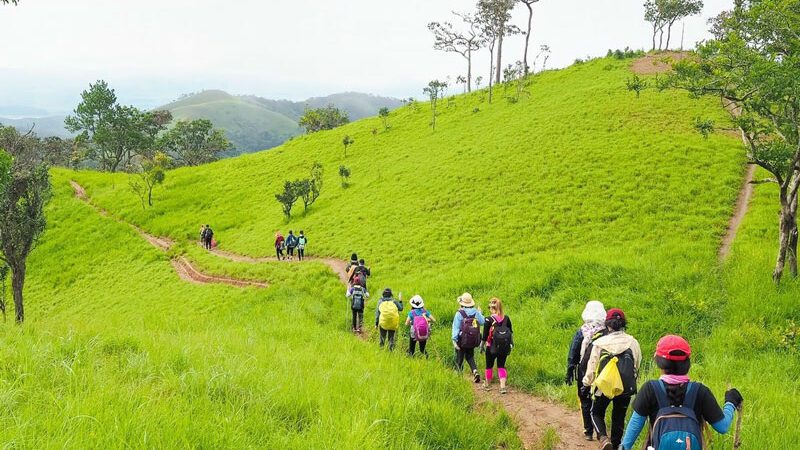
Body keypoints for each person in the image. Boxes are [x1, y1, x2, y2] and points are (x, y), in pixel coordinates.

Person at [620, 335, 743, 450]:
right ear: (687, 363)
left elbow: (634, 428)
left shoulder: (650, 389)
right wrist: (730, 402)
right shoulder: (700, 391)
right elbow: (722, 426)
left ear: (659, 362)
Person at [582, 308, 641, 450]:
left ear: (607, 325)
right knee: (619, 417)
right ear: (623, 324)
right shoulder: (633, 342)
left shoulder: (600, 343)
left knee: (595, 413)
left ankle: (603, 438)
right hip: (625, 387)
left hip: (604, 386)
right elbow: (636, 365)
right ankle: (615, 446)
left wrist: (586, 383)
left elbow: (592, 367)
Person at [566, 300, 608, 441]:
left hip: (584, 370)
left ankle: (588, 431)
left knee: (585, 399)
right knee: (599, 400)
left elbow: (574, 352)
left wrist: (570, 370)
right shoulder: (607, 331)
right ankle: (600, 430)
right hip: (603, 371)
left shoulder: (583, 331)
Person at [481, 297, 513, 394]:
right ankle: (502, 387)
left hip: (491, 346)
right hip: (504, 347)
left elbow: (485, 336)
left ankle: (487, 384)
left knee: (489, 366)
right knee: (501, 366)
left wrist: (481, 346)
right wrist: (511, 344)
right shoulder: (506, 318)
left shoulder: (488, 319)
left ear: (491, 308)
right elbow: (511, 332)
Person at [452, 293, 485, 383]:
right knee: (470, 356)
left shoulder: (459, 313)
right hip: (473, 340)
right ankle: (475, 371)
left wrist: (454, 341)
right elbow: (483, 322)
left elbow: (456, 327)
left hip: (461, 339)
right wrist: (480, 313)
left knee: (459, 359)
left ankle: (459, 380)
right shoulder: (476, 312)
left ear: (462, 303)